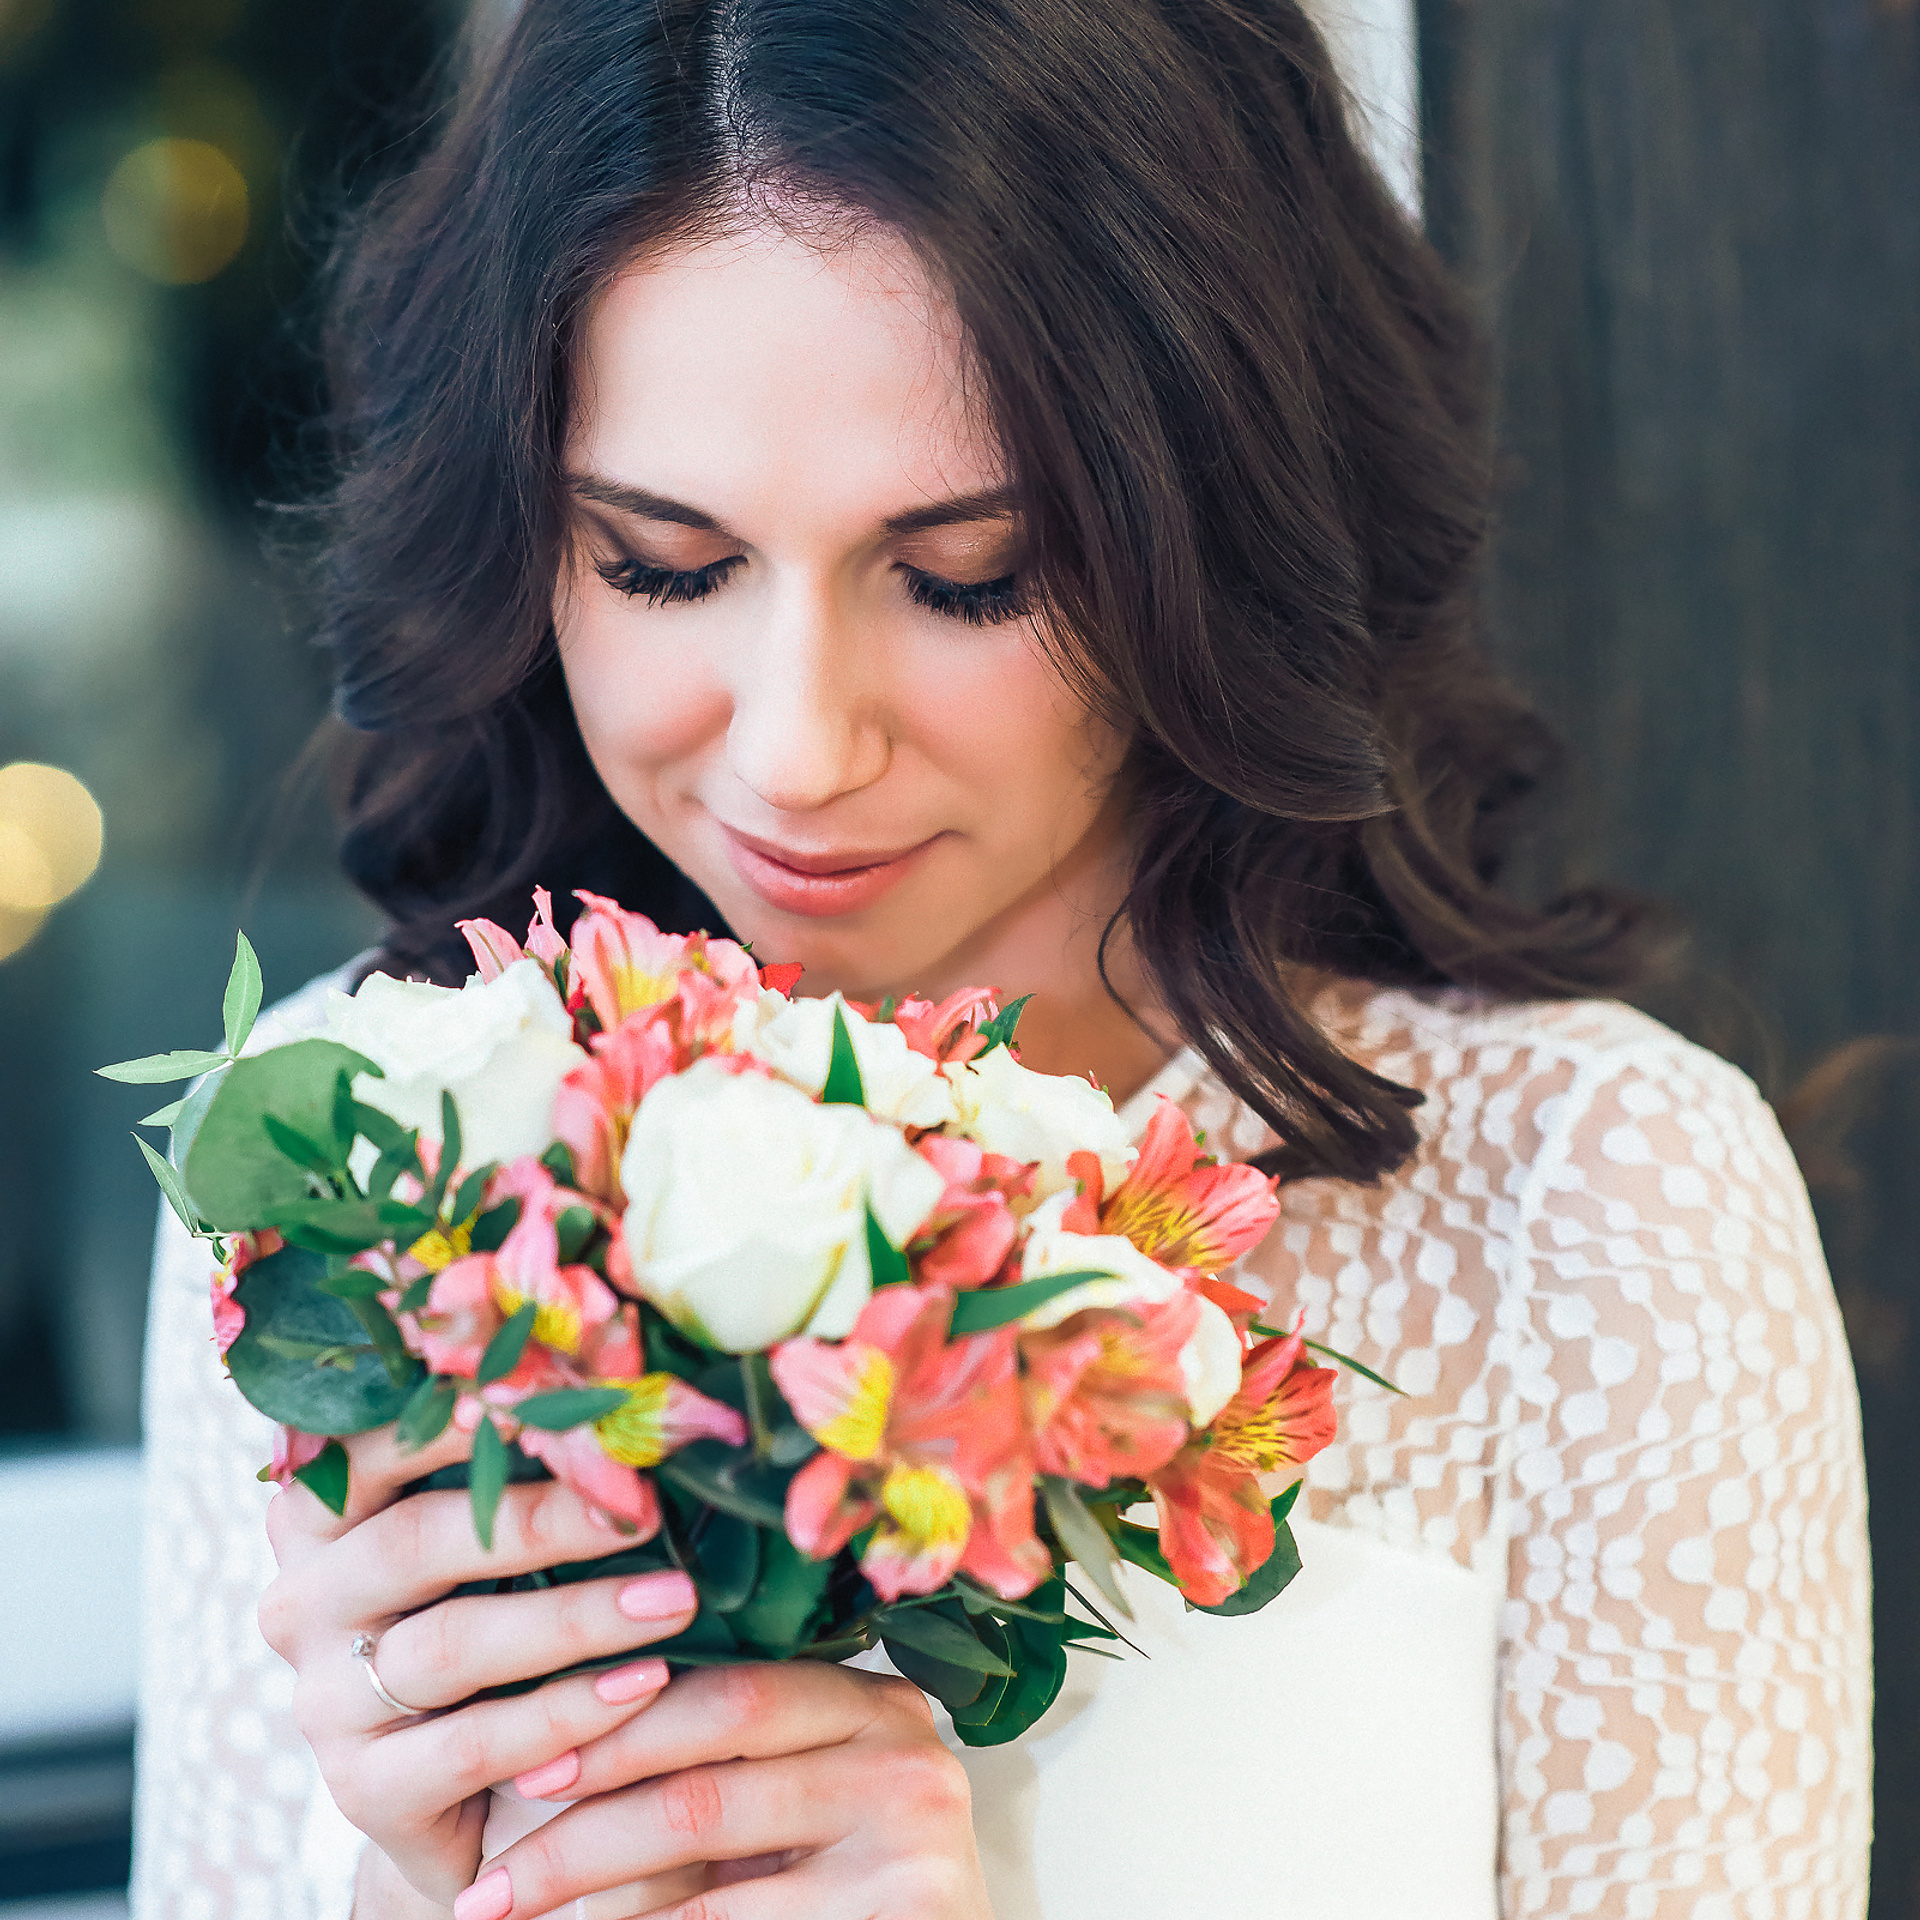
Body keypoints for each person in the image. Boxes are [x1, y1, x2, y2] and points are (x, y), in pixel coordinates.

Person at [130, 1, 1873, 1915]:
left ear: (1209, 526)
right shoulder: (358, 1158)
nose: (799, 747)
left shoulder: (1583, 1211)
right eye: (661, 560)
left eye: (972, 577)